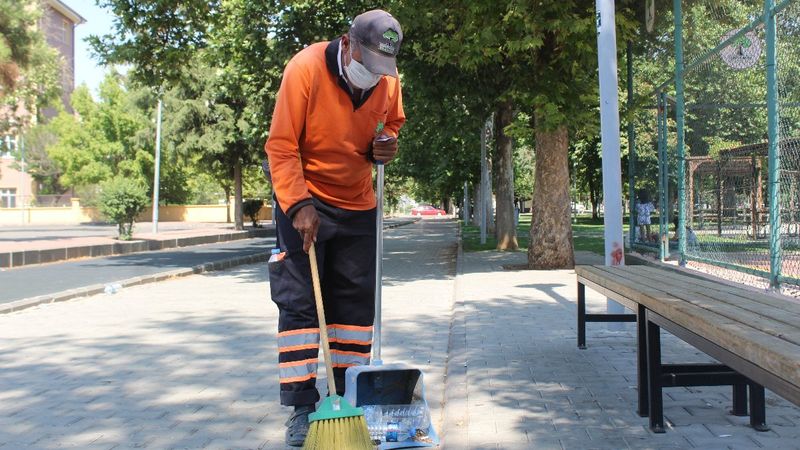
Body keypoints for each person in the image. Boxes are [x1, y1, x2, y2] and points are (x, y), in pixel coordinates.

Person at [264, 9, 405, 447]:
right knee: (302, 307)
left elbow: (392, 124)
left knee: (354, 311)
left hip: (358, 203)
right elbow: (281, 145)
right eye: (367, 65)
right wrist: (299, 204)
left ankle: (346, 398)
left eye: (381, 70)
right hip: (305, 200)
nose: (373, 76)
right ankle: (304, 408)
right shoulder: (304, 69)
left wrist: (387, 145)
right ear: (347, 45)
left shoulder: (389, 80)